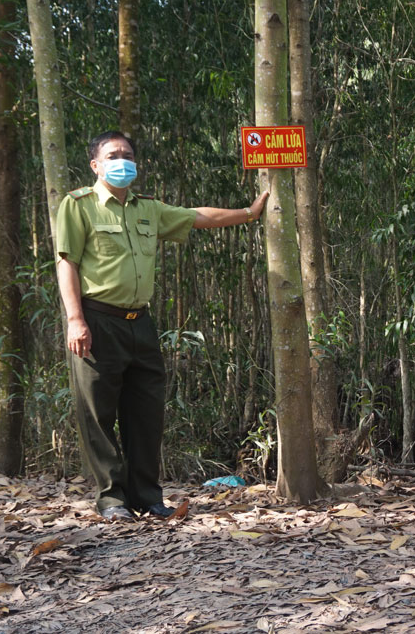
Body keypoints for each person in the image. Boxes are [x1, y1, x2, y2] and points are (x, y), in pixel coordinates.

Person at [55, 131, 269, 521]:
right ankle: (112, 499)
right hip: (97, 321)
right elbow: (66, 261)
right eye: (113, 155)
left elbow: (196, 216)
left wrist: (249, 213)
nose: (123, 160)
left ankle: (147, 496)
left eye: (128, 154)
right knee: (98, 414)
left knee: (146, 413)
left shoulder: (147, 208)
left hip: (141, 323)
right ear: (95, 165)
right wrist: (75, 320)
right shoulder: (78, 206)